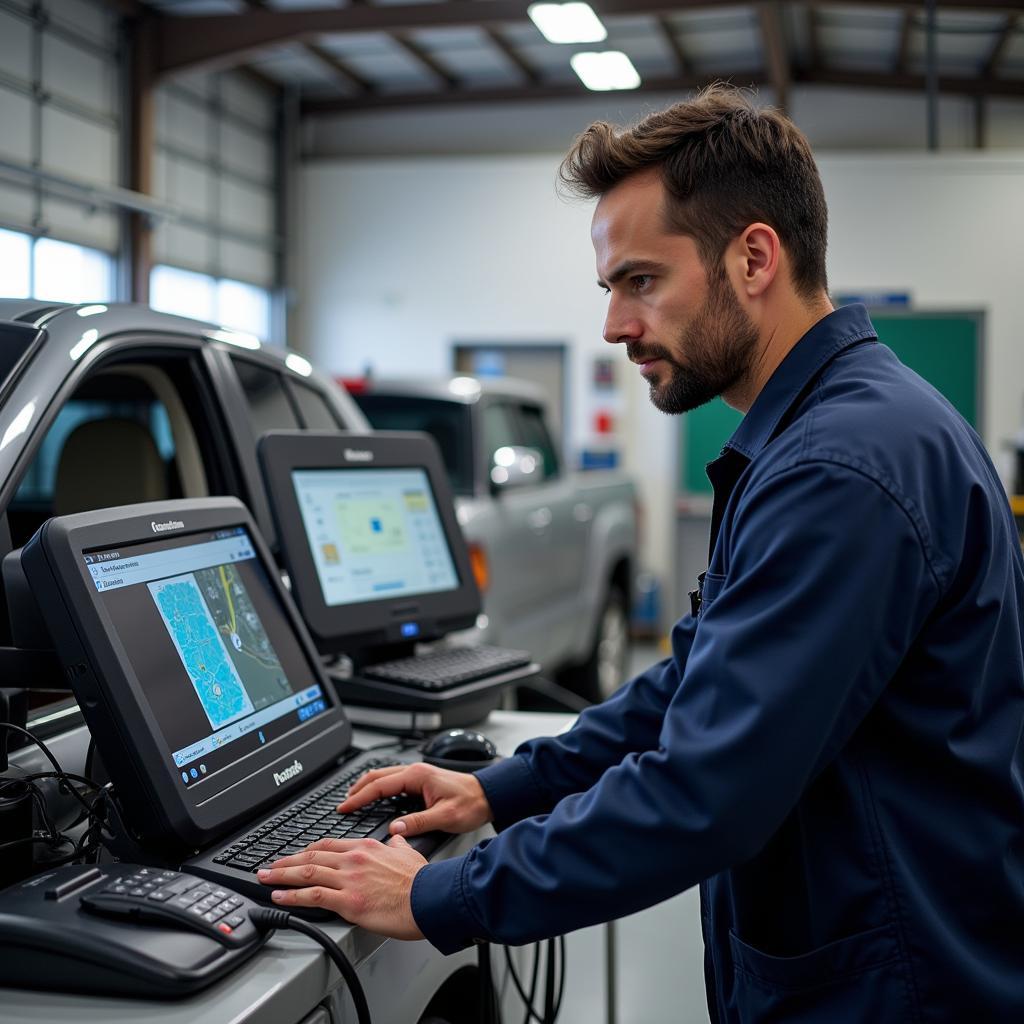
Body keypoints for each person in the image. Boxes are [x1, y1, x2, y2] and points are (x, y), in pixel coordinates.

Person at [258, 87, 1024, 1021]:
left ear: (753, 257)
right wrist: (498, 788)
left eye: (641, 282)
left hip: (895, 990)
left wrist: (436, 896)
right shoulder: (824, 435)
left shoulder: (841, 468)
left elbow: (708, 791)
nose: (615, 326)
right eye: (610, 289)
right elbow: (698, 683)